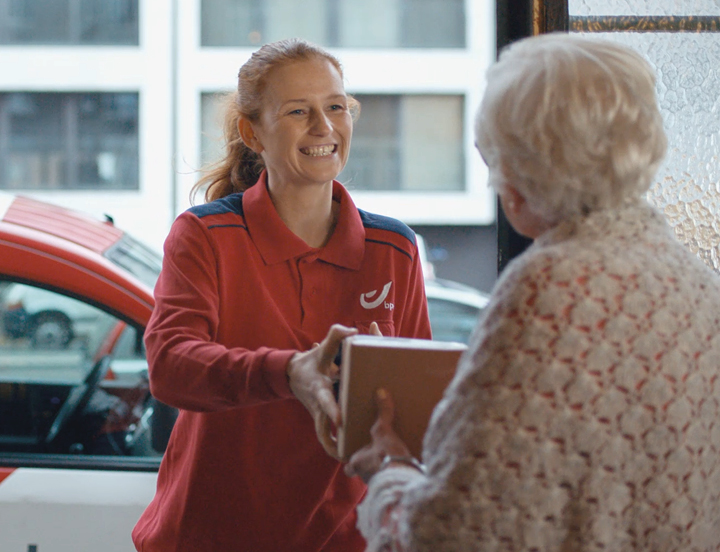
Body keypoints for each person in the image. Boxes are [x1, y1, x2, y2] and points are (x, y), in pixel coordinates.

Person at [346, 33, 720, 551]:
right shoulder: (696, 281)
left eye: (495, 159)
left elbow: (453, 533)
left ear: (520, 176)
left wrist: (390, 468)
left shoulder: (550, 288)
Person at [132, 38, 432, 552]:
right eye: (299, 111)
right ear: (253, 133)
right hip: (208, 538)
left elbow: (418, 419)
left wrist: (387, 382)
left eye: (336, 106)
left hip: (347, 540)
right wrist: (289, 372)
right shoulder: (205, 236)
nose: (324, 126)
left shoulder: (394, 249)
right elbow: (170, 366)